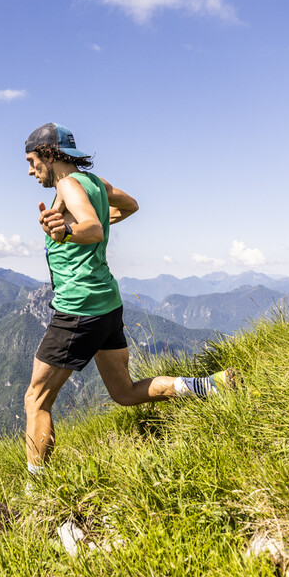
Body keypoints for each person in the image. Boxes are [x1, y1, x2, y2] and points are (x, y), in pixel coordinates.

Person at [22, 122, 233, 478]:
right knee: (124, 392)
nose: (31, 171)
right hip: (106, 304)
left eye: (32, 161)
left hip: (78, 308)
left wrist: (68, 230)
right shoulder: (95, 184)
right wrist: (88, 223)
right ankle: (209, 386)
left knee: (36, 399)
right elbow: (130, 205)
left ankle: (37, 489)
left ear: (49, 154)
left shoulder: (68, 185)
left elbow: (93, 228)